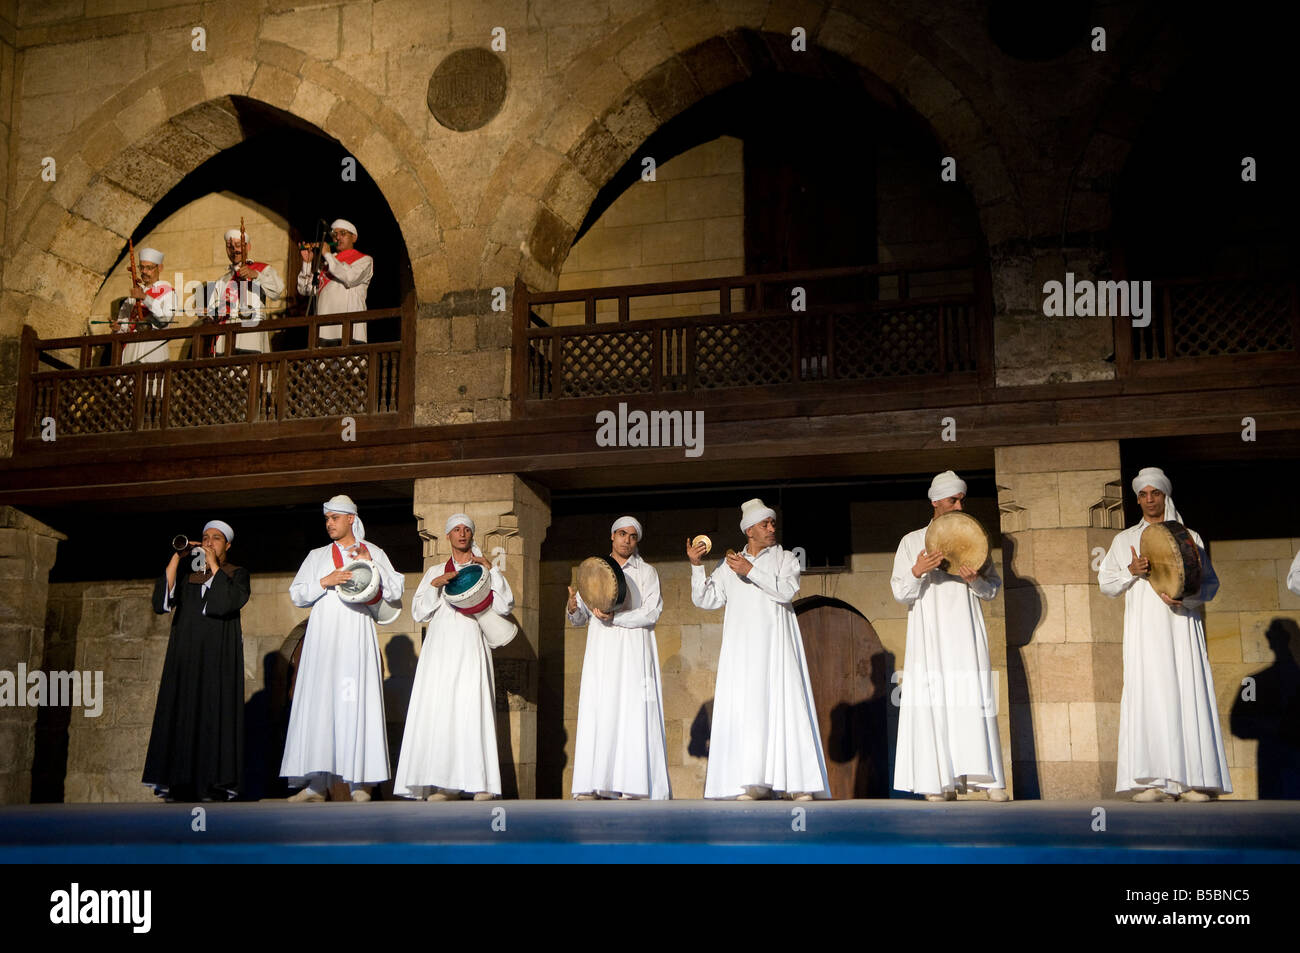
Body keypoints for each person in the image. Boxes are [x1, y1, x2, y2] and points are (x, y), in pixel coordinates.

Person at [1098, 466, 1230, 802]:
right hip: (1144, 633)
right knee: (1150, 694)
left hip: (1181, 626)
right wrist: (1131, 572)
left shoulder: (1190, 537)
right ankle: (1152, 780)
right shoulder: (1124, 539)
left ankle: (1193, 781)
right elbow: (1106, 585)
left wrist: (1186, 599)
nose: (1148, 499)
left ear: (1165, 495)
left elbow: (1210, 585)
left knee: (1186, 690)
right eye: (1142, 494)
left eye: (1154, 492)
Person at [689, 498, 829, 800]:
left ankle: (796, 783)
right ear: (749, 530)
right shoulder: (729, 565)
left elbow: (787, 591)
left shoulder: (786, 558)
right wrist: (697, 567)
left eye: (772, 523)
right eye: (765, 524)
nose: (771, 528)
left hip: (776, 646)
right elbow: (706, 600)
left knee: (784, 705)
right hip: (742, 651)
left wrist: (751, 570)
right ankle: (753, 782)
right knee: (749, 710)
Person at [890, 471, 1008, 802]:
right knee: (934, 699)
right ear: (936, 502)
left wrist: (975, 581)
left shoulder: (975, 539)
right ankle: (936, 781)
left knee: (973, 696)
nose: (959, 504)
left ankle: (988, 779)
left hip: (966, 631)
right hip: (929, 633)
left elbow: (992, 591)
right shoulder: (912, 541)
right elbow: (900, 593)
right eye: (953, 500)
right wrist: (918, 571)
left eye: (961, 499)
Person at [281, 495, 402, 802]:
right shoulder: (317, 555)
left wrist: (371, 562)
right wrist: (325, 580)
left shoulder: (372, 550)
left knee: (355, 702)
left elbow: (396, 589)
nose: (329, 524)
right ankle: (315, 785)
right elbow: (297, 594)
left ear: (350, 518)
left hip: (355, 635)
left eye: (334, 518)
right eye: (326, 519)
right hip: (322, 640)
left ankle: (359, 783)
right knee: (320, 706)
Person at [393, 513, 513, 801]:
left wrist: (492, 570)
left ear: (472, 535)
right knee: (443, 712)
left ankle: (480, 783)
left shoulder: (485, 569)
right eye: (456, 530)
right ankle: (446, 784)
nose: (462, 534)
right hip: (440, 650)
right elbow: (419, 612)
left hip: (471, 645)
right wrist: (436, 585)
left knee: (472, 709)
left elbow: (505, 605)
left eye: (466, 530)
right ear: (448, 535)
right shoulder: (435, 570)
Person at [141, 520, 249, 802]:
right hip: (186, 655)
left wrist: (214, 566)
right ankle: (179, 782)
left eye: (216, 538)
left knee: (213, 713)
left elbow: (226, 602)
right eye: (205, 537)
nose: (209, 542)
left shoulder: (236, 574)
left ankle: (213, 783)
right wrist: (178, 556)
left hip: (217, 657)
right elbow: (160, 603)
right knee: (182, 709)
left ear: (227, 545)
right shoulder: (189, 574)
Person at [566, 516, 671, 800]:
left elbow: (652, 612)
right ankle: (596, 784)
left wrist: (618, 618)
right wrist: (573, 608)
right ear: (612, 536)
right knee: (602, 710)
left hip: (635, 649)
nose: (627, 540)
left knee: (633, 711)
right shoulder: (594, 569)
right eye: (622, 534)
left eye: (633, 536)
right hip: (603, 650)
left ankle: (633, 785)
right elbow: (581, 619)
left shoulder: (647, 572)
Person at [207, 227, 285, 355]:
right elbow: (212, 311)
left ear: (248, 247)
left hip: (250, 333)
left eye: (238, 245)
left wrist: (256, 275)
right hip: (226, 335)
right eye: (229, 246)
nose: (234, 250)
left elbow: (277, 291)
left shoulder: (261, 269)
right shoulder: (222, 280)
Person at [297, 219, 373, 344]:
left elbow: (349, 277)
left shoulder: (364, 260)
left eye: (342, 233)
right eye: (334, 235)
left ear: (354, 238)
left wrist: (327, 254)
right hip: (324, 329)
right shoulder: (328, 265)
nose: (337, 238)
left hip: (348, 329)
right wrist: (307, 263)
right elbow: (305, 290)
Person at [114, 247, 176, 365]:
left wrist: (145, 298)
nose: (144, 271)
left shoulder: (168, 292)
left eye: (149, 268)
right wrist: (118, 328)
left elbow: (166, 319)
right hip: (131, 350)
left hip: (153, 348)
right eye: (141, 267)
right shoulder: (135, 294)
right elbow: (124, 323)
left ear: (160, 268)